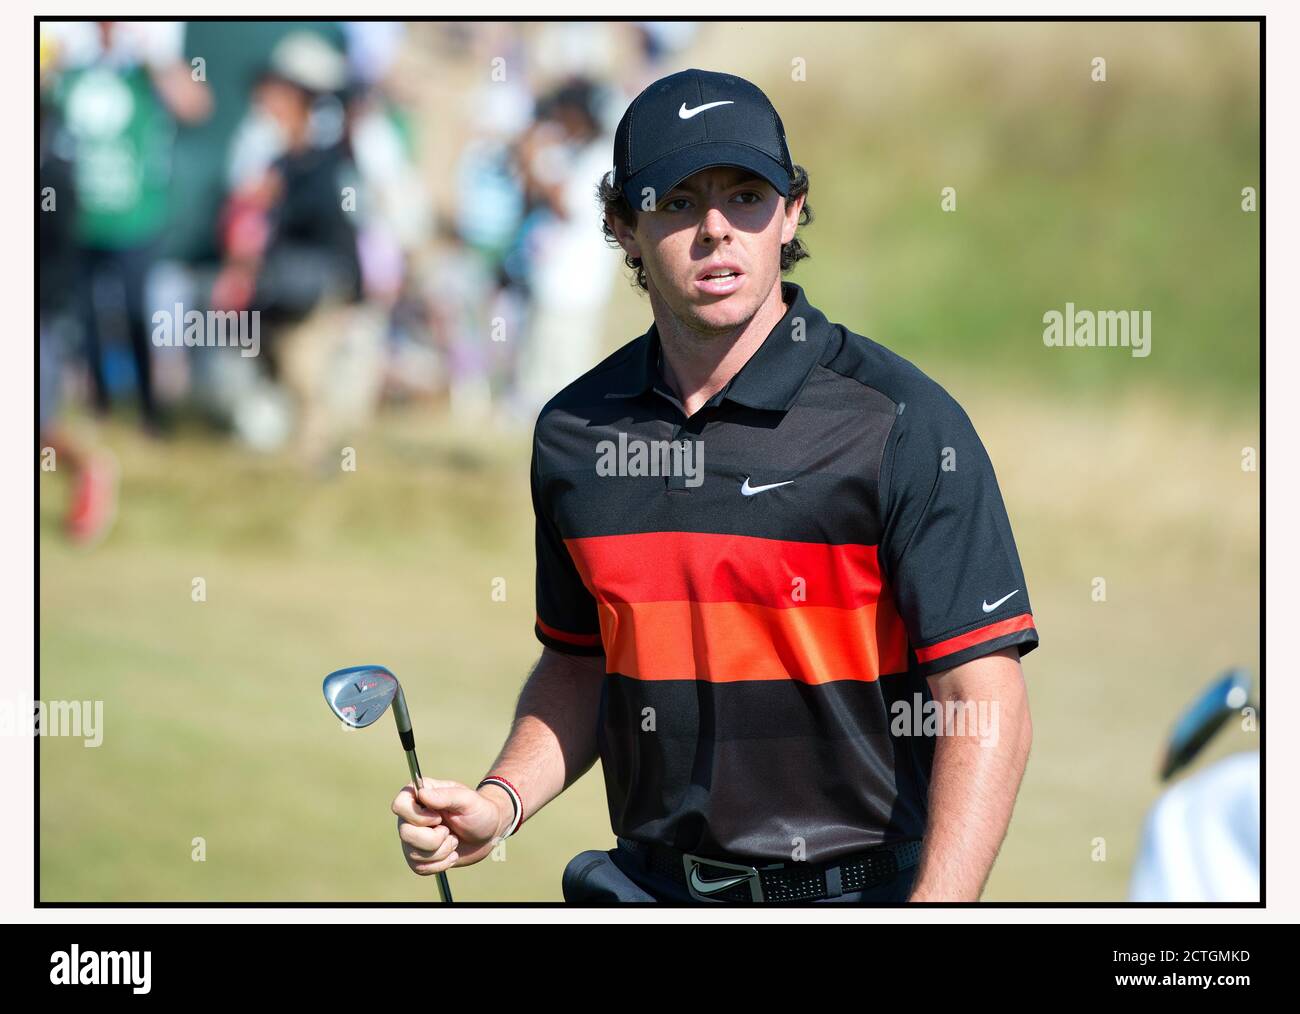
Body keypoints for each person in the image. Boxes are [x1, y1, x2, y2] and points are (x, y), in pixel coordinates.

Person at [392, 69, 1038, 903]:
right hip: (642, 888)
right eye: (676, 202)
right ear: (622, 226)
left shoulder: (902, 423)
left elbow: (985, 705)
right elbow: (583, 662)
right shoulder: (574, 434)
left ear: (792, 212)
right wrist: (499, 801)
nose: (715, 230)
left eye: (745, 196)